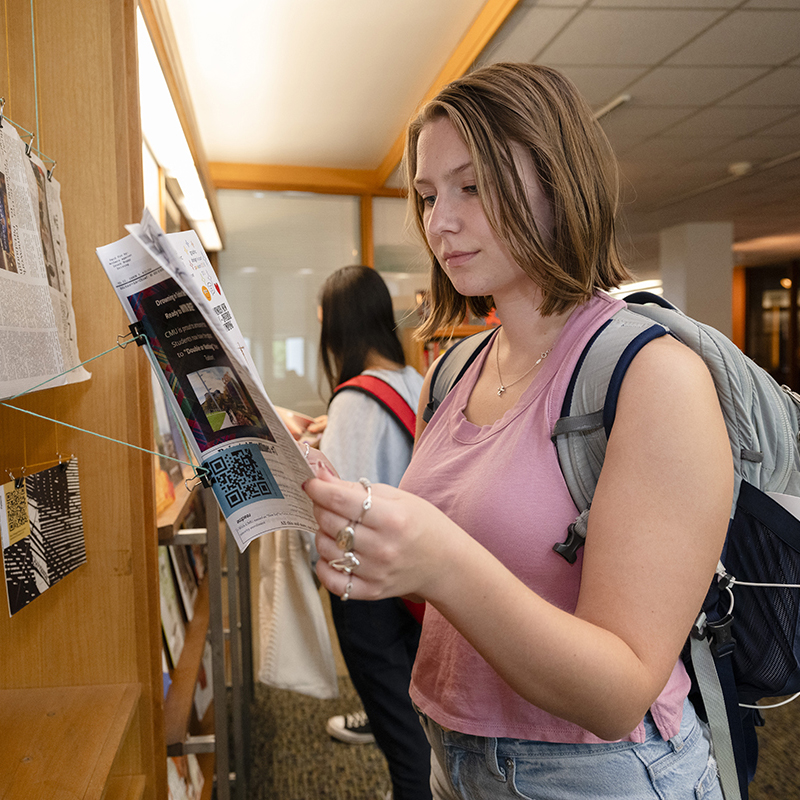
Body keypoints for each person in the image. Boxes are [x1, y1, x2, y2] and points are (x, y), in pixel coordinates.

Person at [303, 63, 733, 799]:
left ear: (559, 183)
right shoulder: (457, 366)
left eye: (473, 187)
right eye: (429, 195)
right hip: (454, 751)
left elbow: (618, 692)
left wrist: (440, 561)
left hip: (596, 774)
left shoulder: (653, 376)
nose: (440, 222)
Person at [315, 265, 432, 800]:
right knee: (417, 709)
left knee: (402, 738)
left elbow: (335, 510)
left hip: (368, 587)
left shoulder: (352, 401)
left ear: (336, 328)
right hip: (419, 582)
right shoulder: (417, 381)